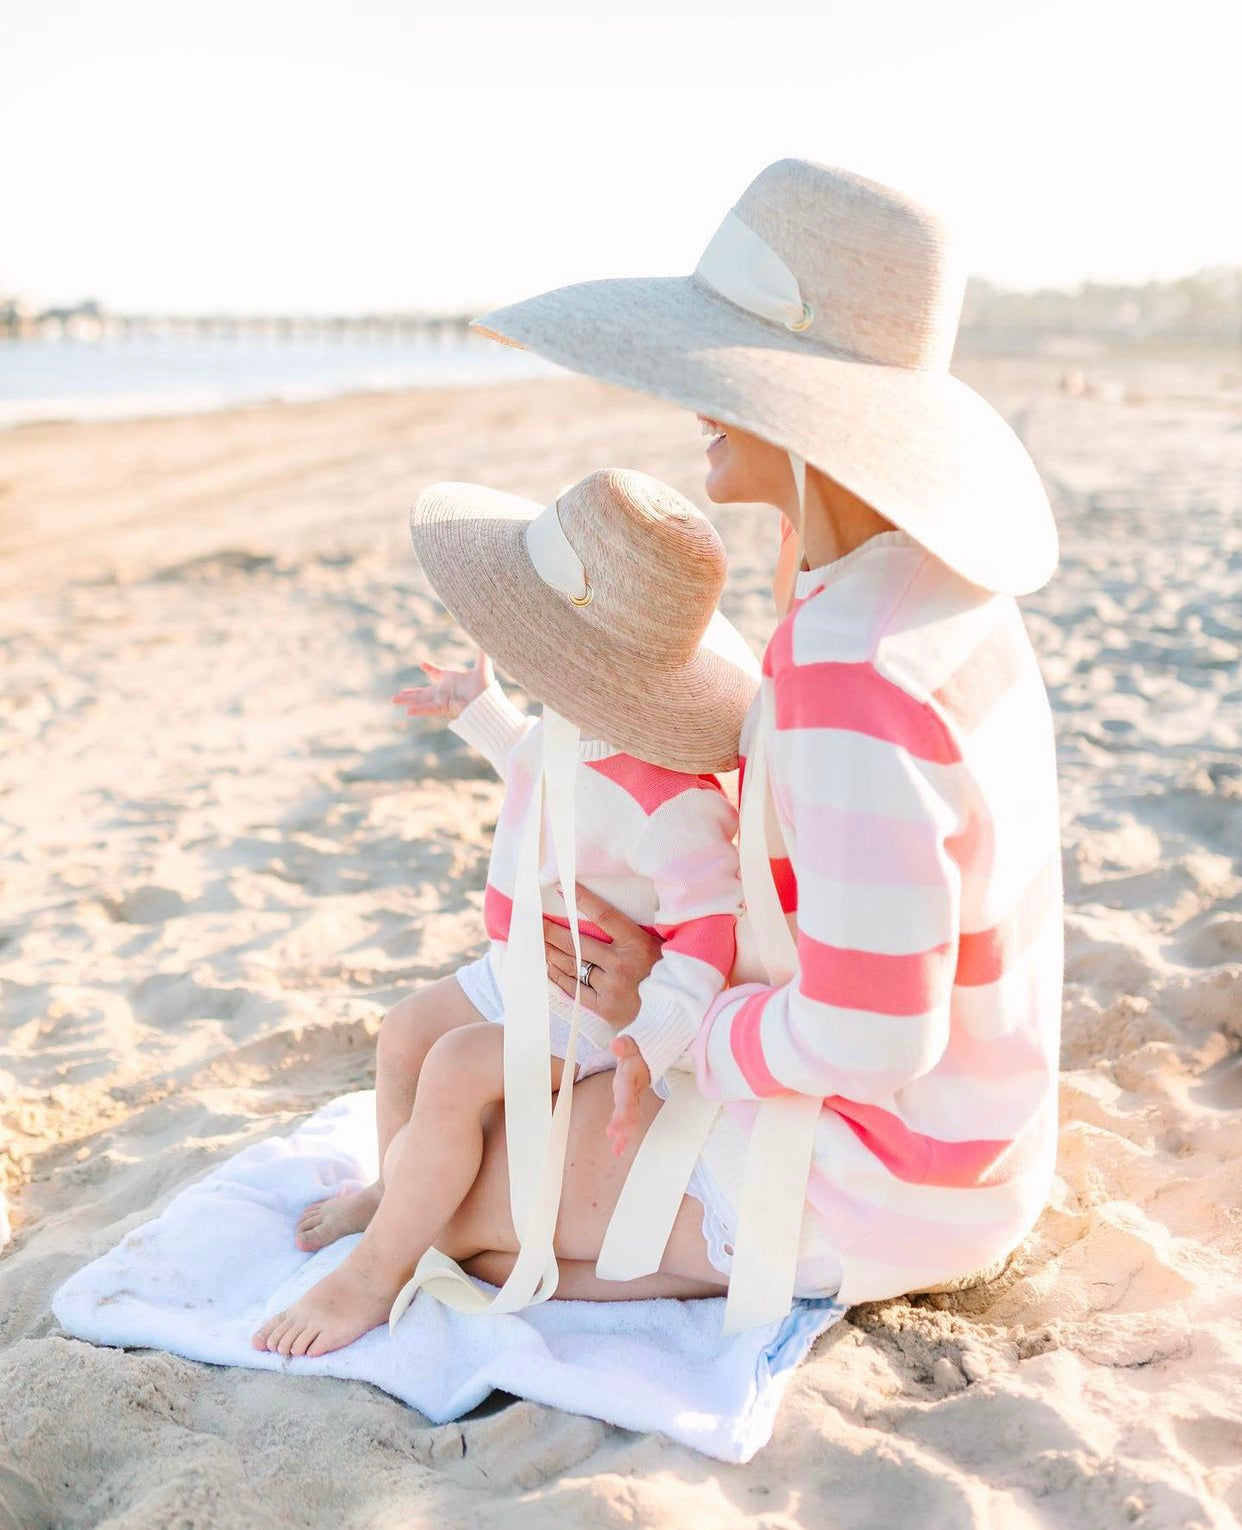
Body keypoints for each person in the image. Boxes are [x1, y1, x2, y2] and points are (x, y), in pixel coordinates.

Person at [345, 156, 1063, 1326]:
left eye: (724, 368)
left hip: (884, 1174)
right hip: (978, 1134)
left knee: (452, 1207)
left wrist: (688, 1028)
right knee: (453, 1139)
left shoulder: (854, 671)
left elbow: (873, 1032)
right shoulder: (931, 586)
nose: (697, 399)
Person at [252, 467, 759, 1357]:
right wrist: (478, 712)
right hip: (526, 964)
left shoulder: (674, 803)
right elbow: (539, 762)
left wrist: (661, 1028)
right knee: (408, 1030)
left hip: (595, 1004)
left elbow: (712, 921)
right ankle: (391, 1191)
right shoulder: (575, 726)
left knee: (454, 1069)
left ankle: (378, 1271)